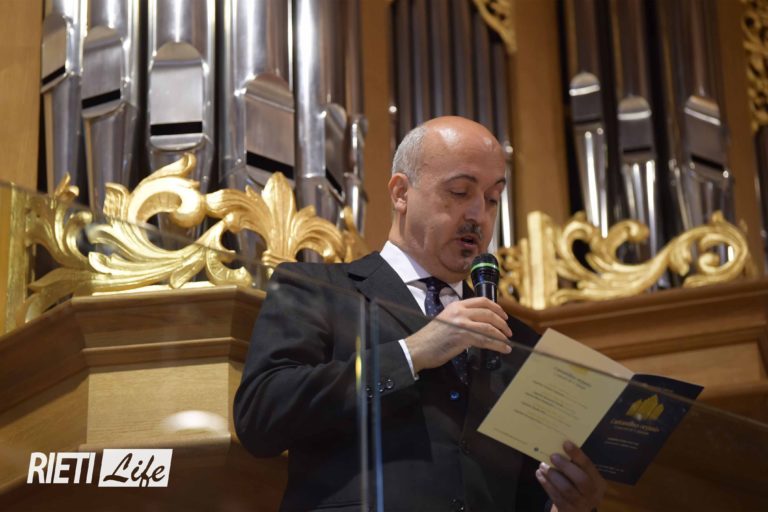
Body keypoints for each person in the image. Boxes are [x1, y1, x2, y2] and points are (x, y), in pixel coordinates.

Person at [234, 116, 606, 511]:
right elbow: (260, 416)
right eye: (460, 191)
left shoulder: (518, 341)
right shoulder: (319, 289)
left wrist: (568, 504)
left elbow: (525, 494)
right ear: (401, 193)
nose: (478, 214)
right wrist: (411, 353)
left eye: (493, 198)